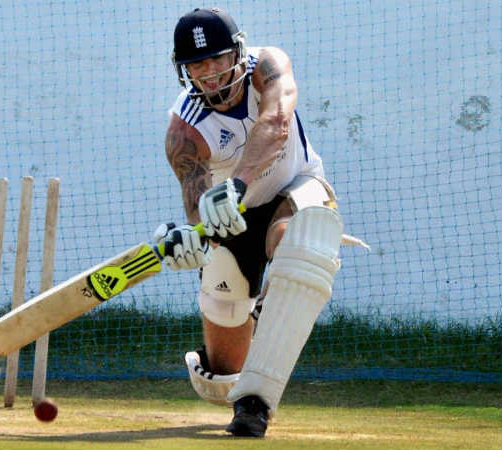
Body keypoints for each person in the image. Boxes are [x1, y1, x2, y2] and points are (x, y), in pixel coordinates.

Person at [154, 7, 366, 437]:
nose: (210, 74)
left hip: (296, 187)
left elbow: (277, 123)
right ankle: (241, 349)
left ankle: (255, 402)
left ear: (238, 51)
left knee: (300, 242)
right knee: (222, 377)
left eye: (217, 58)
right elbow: (197, 207)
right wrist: (193, 241)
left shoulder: (268, 66)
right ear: (183, 70)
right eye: (197, 64)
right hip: (231, 218)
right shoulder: (183, 132)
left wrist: (237, 184)